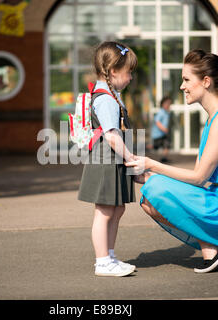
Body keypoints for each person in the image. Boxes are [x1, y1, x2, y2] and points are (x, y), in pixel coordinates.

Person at [125, 49, 218, 273]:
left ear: (206, 82)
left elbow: (198, 178)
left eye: (186, 79)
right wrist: (150, 175)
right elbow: (198, 175)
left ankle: (216, 246)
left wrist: (152, 165)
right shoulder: (213, 118)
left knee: (155, 188)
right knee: (149, 198)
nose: (181, 86)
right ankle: (214, 249)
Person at [77, 41, 138, 277]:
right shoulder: (106, 99)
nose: (131, 77)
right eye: (128, 71)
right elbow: (112, 136)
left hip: (112, 163)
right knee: (104, 211)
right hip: (106, 163)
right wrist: (130, 156)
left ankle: (110, 256)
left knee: (117, 209)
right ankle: (103, 261)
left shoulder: (112, 95)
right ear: (113, 71)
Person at [151, 96, 172, 163]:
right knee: (155, 147)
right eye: (167, 103)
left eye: (169, 104)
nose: (168, 105)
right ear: (163, 104)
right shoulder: (161, 112)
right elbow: (157, 122)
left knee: (167, 144)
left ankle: (164, 158)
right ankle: (146, 147)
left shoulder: (167, 113)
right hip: (158, 134)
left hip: (163, 134)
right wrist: (163, 129)